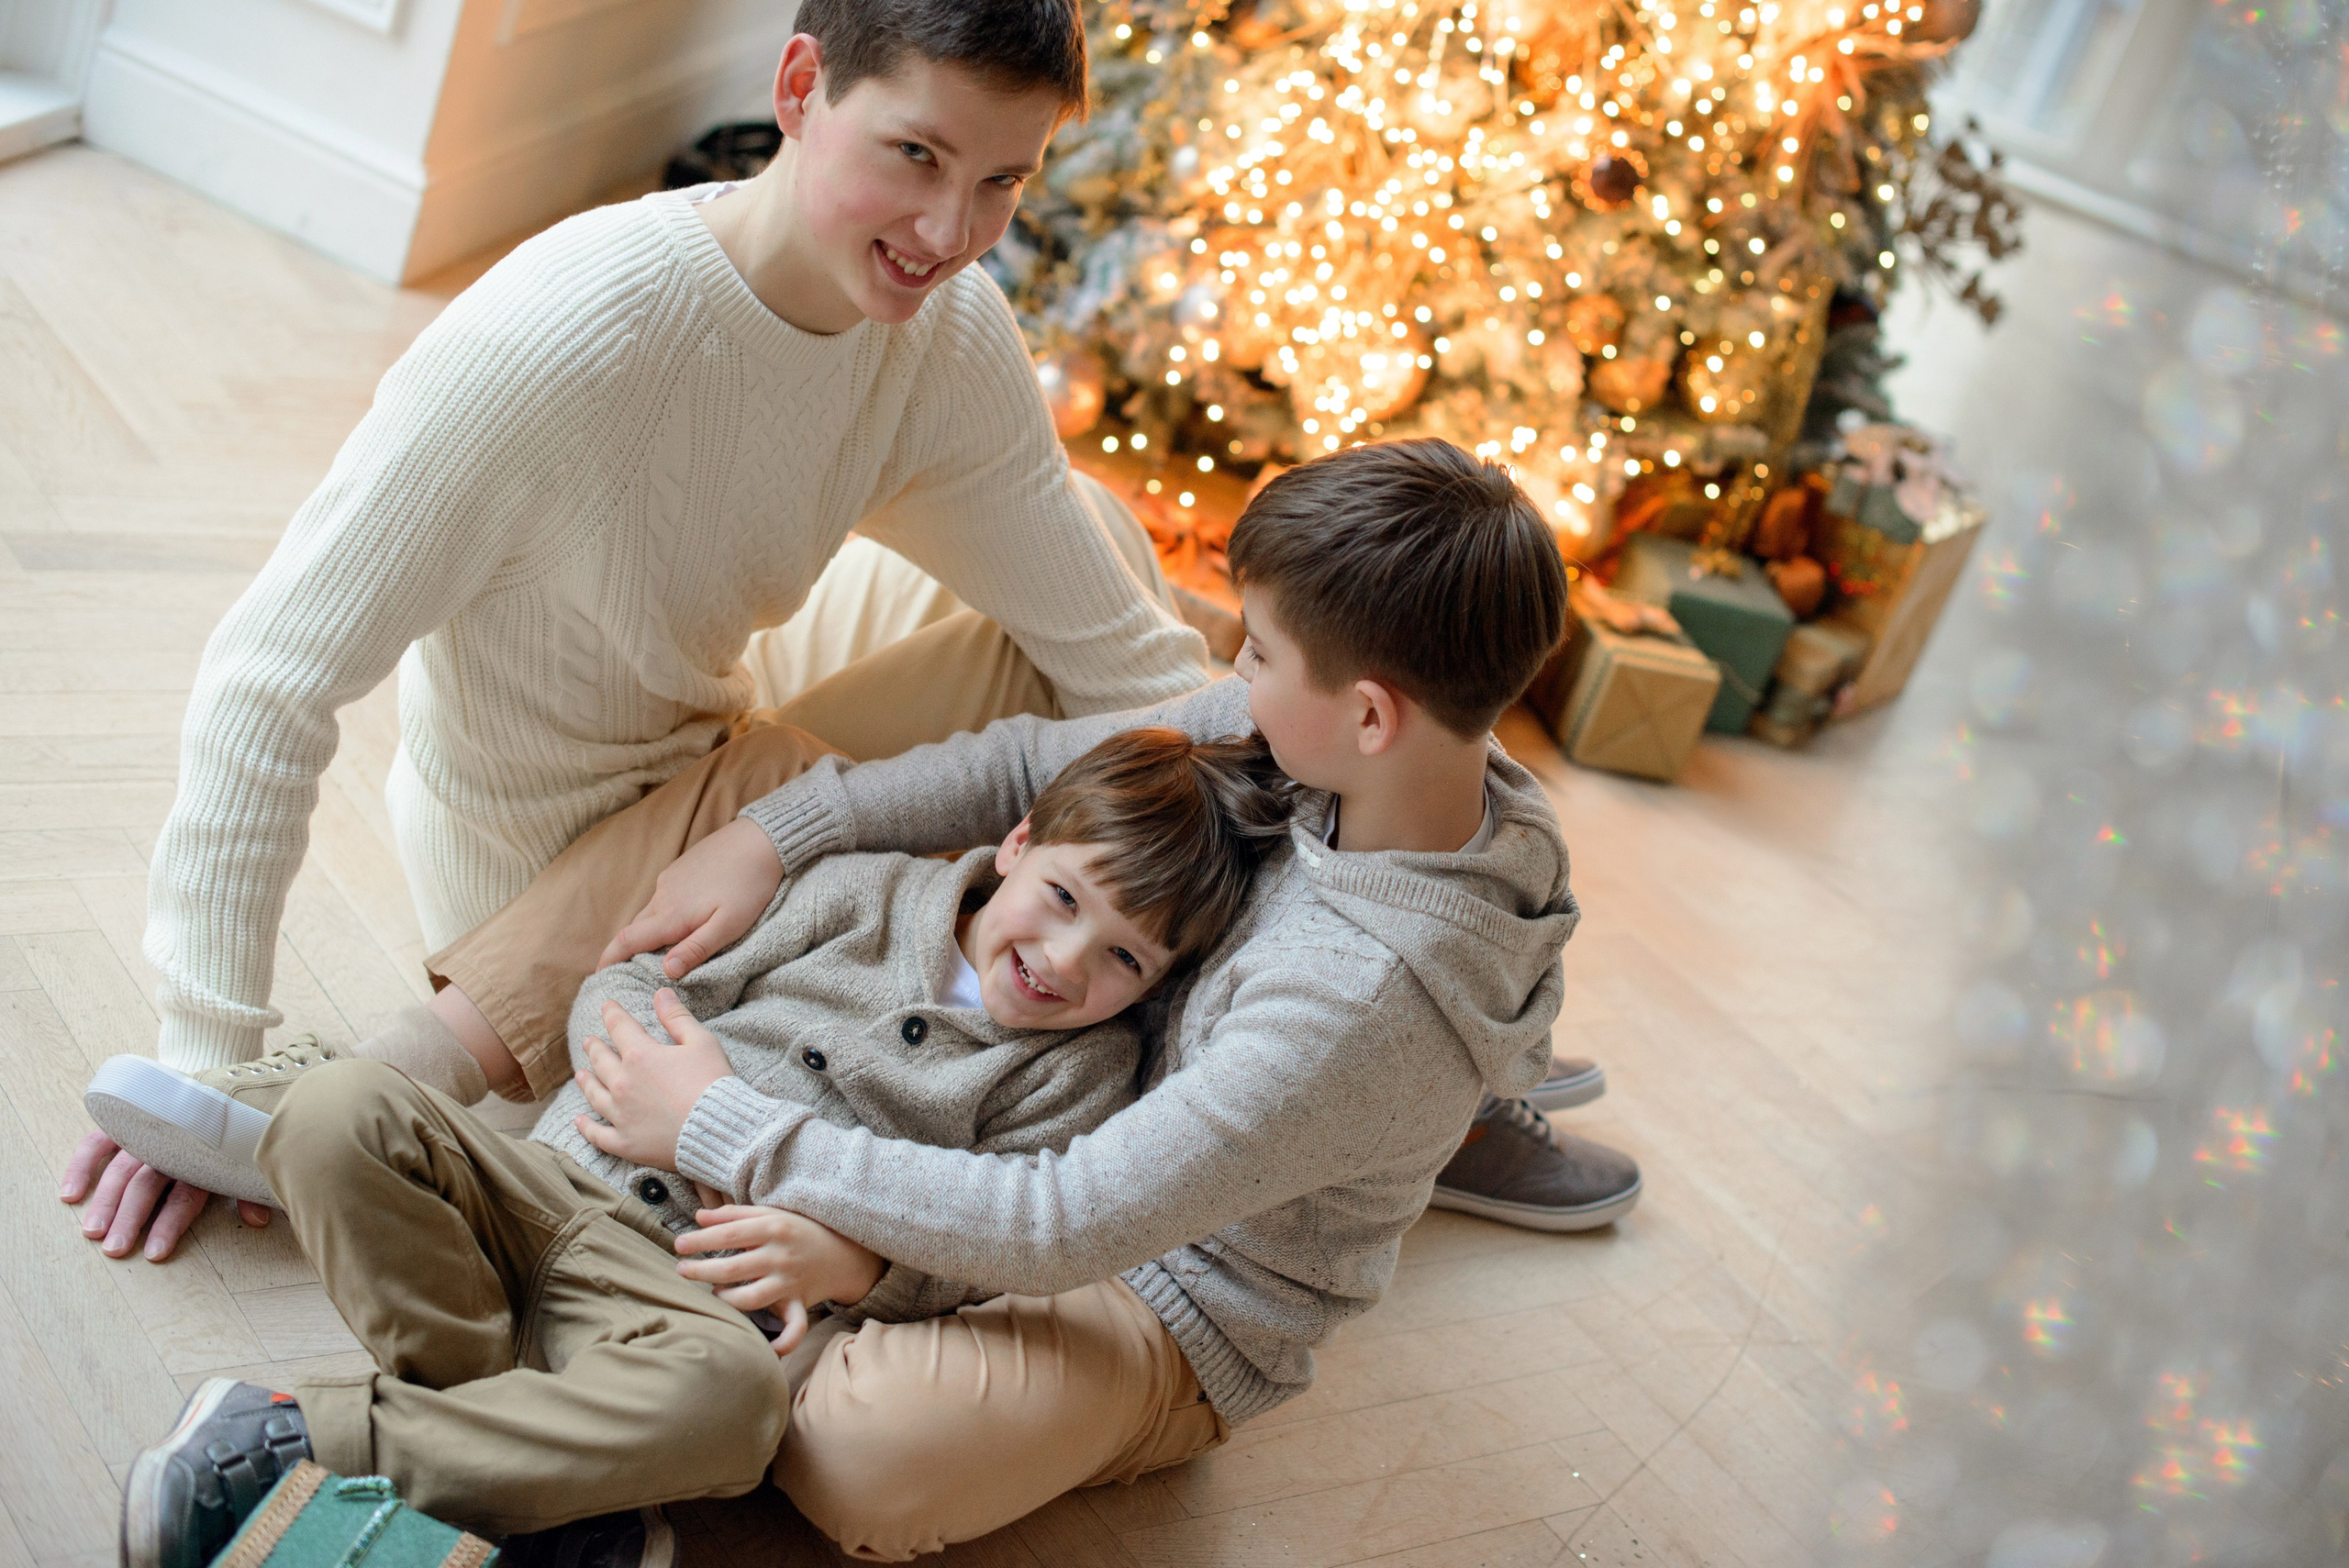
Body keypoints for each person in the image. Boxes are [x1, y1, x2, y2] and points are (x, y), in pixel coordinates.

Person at [292, 437, 1640, 1560]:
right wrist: (775, 834)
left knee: (852, 1452)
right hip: (1105, 1074)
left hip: (1155, 1265)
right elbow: (1020, 763)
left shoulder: (1357, 1005)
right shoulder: (1340, 744)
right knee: (762, 789)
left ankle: (540, 1418)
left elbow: (1067, 1217)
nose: (1233, 675)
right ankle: (439, 1122)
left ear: (1372, 716)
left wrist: (734, 1138)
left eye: (1260, 653)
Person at [64, 0, 1214, 1260]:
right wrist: (205, 1060)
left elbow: (1139, 670)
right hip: (551, 850)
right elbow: (267, 682)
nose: (950, 233)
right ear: (799, 88)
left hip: (712, 707)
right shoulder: (559, 339)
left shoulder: (943, 333)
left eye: (1001, 181)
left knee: (1097, 540)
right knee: (909, 721)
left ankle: (1195, 964)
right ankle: (389, 1071)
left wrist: (1371, 860)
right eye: (915, 155)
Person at [117, 728, 1290, 1568]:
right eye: (1066, 898)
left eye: (1126, 959)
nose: (1067, 961)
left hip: (684, 1300)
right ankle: (553, 1491)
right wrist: (633, 1062)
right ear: (1018, 841)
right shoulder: (862, 890)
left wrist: (865, 1266)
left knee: (732, 1404)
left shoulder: (1083, 1073)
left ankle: (296, 1439)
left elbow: (986, 1242)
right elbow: (638, 974)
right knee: (337, 1107)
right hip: (544, 1182)